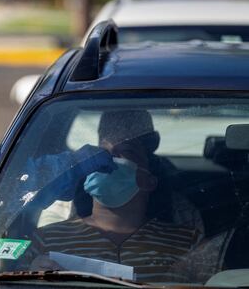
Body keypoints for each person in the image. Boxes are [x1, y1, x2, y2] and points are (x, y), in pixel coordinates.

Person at [26, 110, 202, 282]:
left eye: (126, 151)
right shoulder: (45, 240)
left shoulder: (187, 242)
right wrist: (31, 277)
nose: (108, 158)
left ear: (149, 181)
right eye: (101, 151)